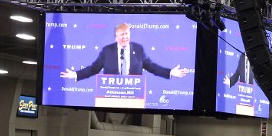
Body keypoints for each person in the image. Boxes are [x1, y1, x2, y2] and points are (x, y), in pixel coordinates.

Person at [60, 23, 189, 81]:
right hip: (110, 94)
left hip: (134, 95)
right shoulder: (107, 51)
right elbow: (93, 69)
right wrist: (76, 74)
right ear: (116, 37)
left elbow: (152, 67)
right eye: (122, 34)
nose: (125, 37)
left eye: (127, 34)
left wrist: (170, 72)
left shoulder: (138, 49)